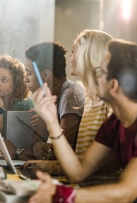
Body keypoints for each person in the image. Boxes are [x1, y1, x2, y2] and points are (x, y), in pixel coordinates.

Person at [28, 39, 137, 203]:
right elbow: (78, 171)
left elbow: (126, 192)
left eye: (102, 72)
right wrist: (52, 122)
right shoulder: (114, 124)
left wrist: (61, 193)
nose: (96, 75)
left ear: (113, 85)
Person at [23, 31, 121, 183]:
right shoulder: (89, 101)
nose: (70, 56)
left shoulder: (109, 104)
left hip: (100, 188)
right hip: (81, 184)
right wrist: (51, 166)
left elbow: (111, 162)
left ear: (88, 55)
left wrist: (54, 166)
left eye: (74, 51)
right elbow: (84, 161)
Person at [5, 42, 85, 160]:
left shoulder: (71, 94)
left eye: (29, 73)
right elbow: (37, 145)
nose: (25, 79)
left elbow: (60, 152)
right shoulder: (49, 96)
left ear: (46, 74)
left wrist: (16, 153)